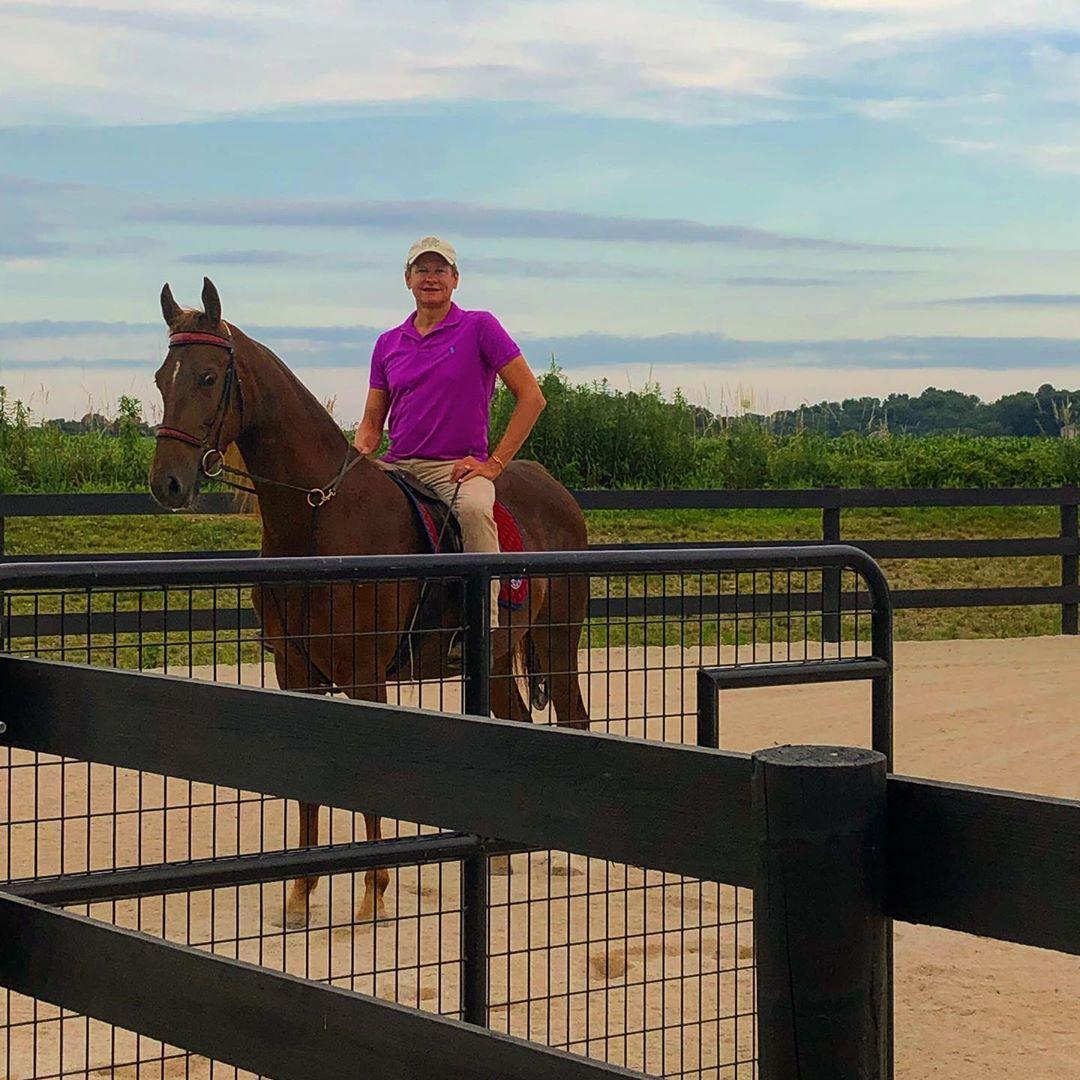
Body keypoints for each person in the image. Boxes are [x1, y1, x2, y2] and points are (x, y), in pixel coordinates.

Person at [352, 236, 547, 625]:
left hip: (455, 467)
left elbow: (532, 397)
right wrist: (357, 458)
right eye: (422, 269)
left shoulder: (479, 327)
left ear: (455, 279)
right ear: (407, 279)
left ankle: (483, 622)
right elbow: (373, 422)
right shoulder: (388, 343)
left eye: (440, 269)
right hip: (398, 464)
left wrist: (493, 463)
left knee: (475, 512)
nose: (431, 277)